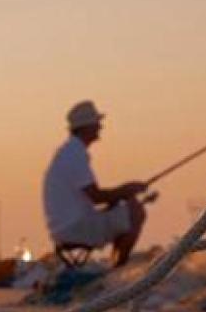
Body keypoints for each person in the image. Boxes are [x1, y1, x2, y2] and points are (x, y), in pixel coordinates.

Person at [42, 100, 147, 267]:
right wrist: (127, 190)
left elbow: (93, 197)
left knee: (123, 206)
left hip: (66, 228)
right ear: (86, 126)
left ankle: (116, 263)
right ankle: (119, 267)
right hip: (76, 229)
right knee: (135, 211)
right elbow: (96, 197)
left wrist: (122, 193)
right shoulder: (74, 155)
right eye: (97, 123)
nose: (100, 127)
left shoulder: (68, 152)